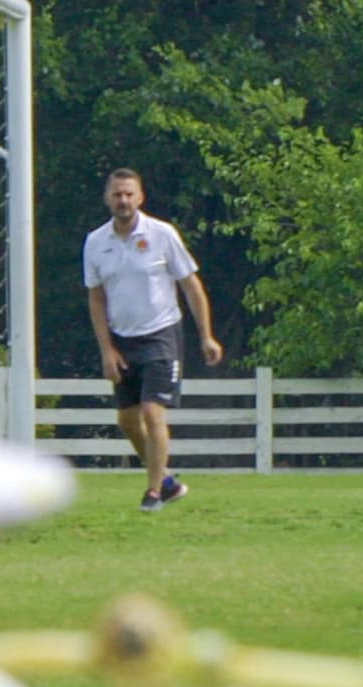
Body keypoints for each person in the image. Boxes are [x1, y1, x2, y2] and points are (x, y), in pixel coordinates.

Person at [83, 168, 223, 512]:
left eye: (129, 194)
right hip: (122, 338)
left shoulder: (161, 234)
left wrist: (206, 335)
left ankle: (153, 493)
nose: (123, 200)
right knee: (127, 420)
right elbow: (96, 297)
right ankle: (167, 482)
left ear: (140, 197)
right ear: (107, 199)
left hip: (161, 333)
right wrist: (106, 349)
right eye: (117, 194)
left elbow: (191, 285)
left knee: (151, 411)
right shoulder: (96, 242)